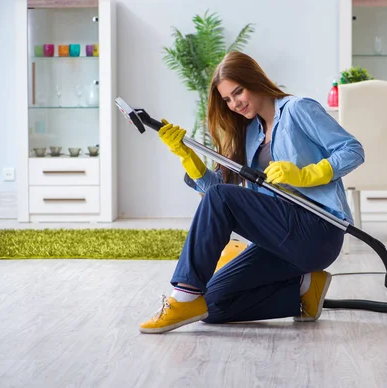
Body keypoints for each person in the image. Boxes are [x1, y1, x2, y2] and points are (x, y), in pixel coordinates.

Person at [139, 51, 364, 334]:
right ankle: (305, 287)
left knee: (196, 291)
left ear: (254, 80)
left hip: (318, 231)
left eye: (238, 92)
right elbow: (218, 196)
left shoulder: (298, 109)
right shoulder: (250, 134)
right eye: (227, 100)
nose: (235, 104)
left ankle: (182, 296)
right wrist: (188, 158)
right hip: (280, 241)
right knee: (211, 306)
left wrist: (309, 174)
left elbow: (353, 149)